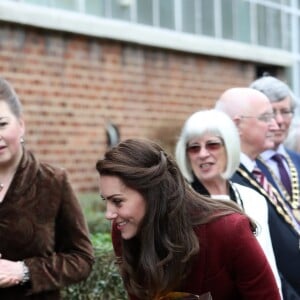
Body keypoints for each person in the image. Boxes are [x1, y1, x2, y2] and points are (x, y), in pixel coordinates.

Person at [96, 138, 281, 300]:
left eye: (117, 201)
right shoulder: (124, 232)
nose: (109, 214)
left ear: (151, 194)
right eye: (106, 201)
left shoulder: (228, 230)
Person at [0, 77, 94, 299]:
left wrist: (25, 271)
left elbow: (82, 258)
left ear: (21, 125)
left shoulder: (52, 182)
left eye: (2, 124)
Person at [175, 108, 282, 296]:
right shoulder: (181, 206)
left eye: (212, 145)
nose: (202, 154)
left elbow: (269, 264)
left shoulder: (254, 198)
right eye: (194, 148)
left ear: (229, 147)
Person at [215, 87, 300, 299]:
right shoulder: (226, 180)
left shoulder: (262, 168)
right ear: (237, 125)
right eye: (266, 117)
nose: (275, 124)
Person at [250, 75, 300, 227]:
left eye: (285, 111)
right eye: (271, 112)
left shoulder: (297, 160)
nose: (279, 120)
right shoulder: (246, 165)